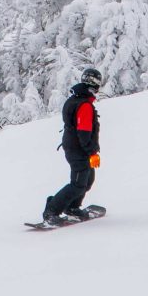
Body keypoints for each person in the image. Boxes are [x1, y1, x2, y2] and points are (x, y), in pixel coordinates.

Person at [42, 67, 104, 224]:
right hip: (78, 149)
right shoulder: (84, 105)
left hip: (76, 147)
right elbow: (83, 132)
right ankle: (51, 211)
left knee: (87, 180)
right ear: (95, 85)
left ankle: (72, 207)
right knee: (77, 184)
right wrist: (92, 152)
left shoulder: (76, 100)